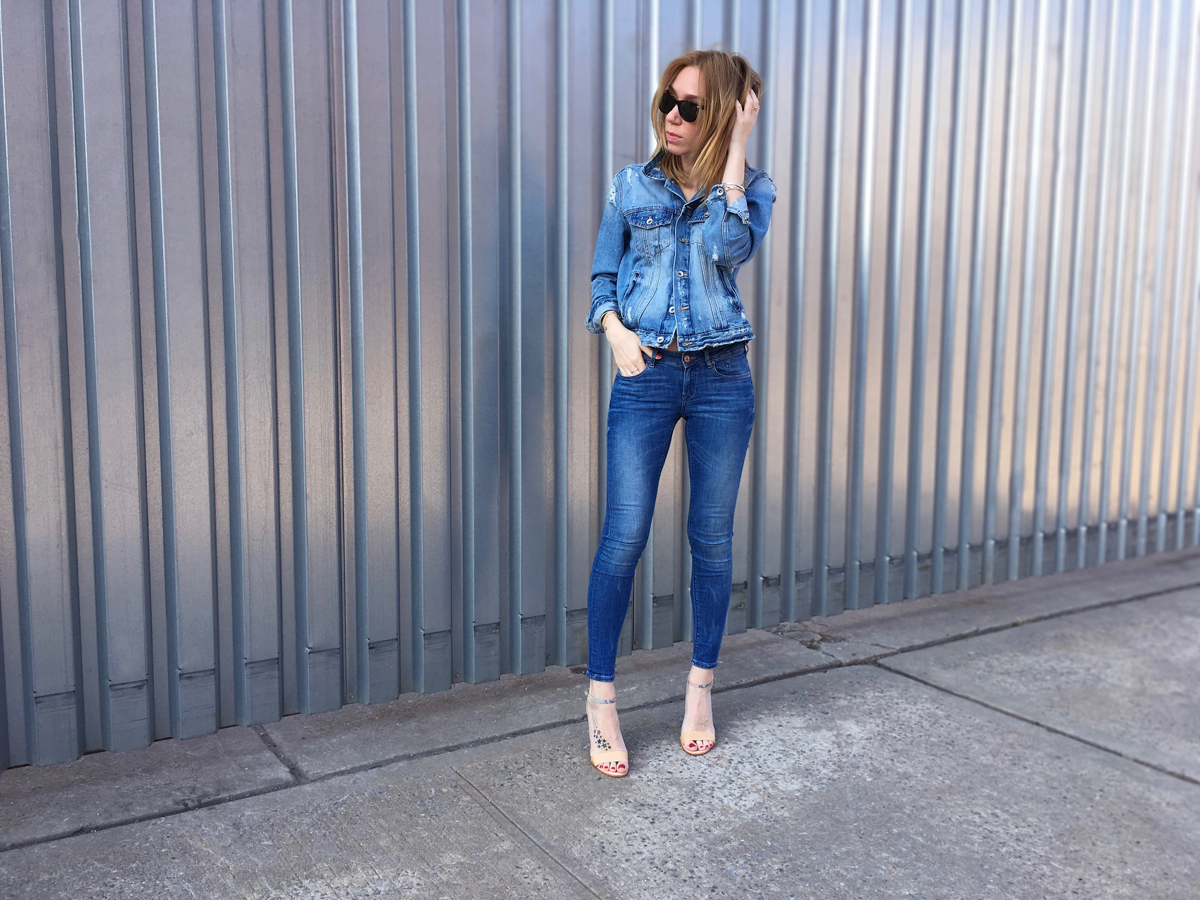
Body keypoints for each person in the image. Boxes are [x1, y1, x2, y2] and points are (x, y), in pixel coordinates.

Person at [583, 49, 775, 777]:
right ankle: (601, 699)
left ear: (722, 113)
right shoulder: (630, 186)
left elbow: (730, 249)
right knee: (625, 535)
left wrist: (736, 153)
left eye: (693, 106)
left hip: (724, 376)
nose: (672, 113)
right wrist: (615, 332)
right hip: (649, 372)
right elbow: (604, 274)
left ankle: (700, 690)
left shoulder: (751, 191)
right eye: (669, 98)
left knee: (712, 540)